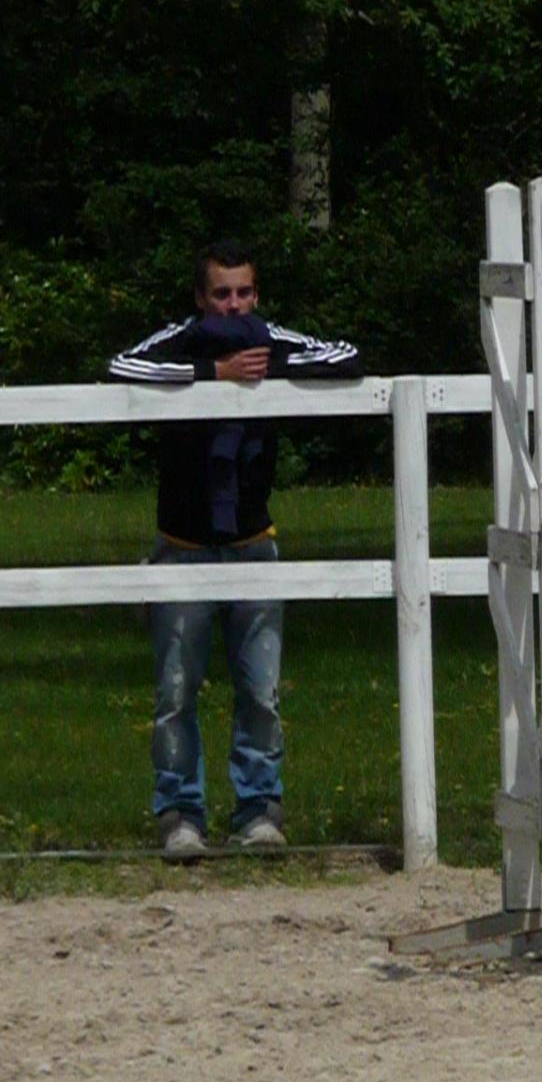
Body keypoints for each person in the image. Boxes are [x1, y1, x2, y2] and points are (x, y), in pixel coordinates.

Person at [108, 240, 362, 858]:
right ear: (201, 298)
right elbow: (122, 366)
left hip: (252, 545)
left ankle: (258, 808)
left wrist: (272, 367)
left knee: (260, 691)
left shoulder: (267, 339)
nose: (233, 305)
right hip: (182, 545)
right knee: (175, 692)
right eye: (221, 294)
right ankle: (179, 813)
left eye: (244, 292)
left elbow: (346, 356)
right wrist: (210, 376)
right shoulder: (182, 341)